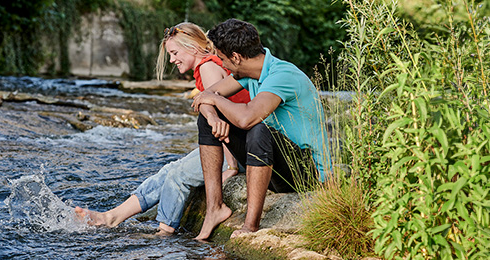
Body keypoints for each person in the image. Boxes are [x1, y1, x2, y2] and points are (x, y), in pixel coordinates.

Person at [74, 22, 251, 235]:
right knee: (168, 170)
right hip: (232, 145)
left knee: (177, 175)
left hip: (239, 149)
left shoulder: (207, 67)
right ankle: (111, 217)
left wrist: (230, 167)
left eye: (175, 52)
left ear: (193, 48)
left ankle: (165, 232)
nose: (171, 59)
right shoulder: (207, 65)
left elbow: (222, 116)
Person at [190, 18, 330, 240]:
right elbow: (206, 98)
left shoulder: (282, 75)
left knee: (259, 128)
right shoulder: (248, 73)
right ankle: (214, 209)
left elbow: (246, 118)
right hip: (275, 164)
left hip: (305, 173)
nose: (221, 64)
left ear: (236, 57)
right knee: (208, 119)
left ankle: (250, 226)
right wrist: (211, 112)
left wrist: (212, 100)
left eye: (223, 58)